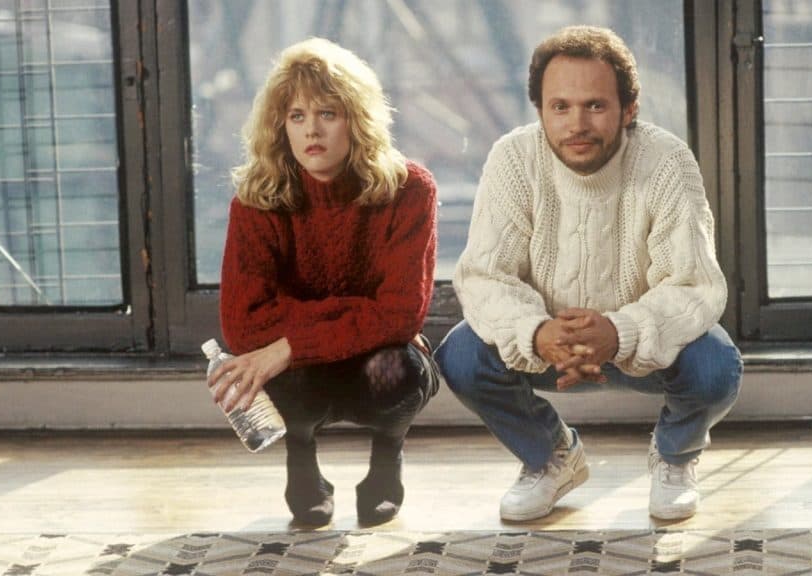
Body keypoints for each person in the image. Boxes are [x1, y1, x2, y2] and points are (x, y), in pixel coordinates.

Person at [435, 25, 742, 522]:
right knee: (462, 355)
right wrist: (538, 332)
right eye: (561, 107)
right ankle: (550, 457)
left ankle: (674, 456)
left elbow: (693, 285)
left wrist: (617, 332)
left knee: (717, 365)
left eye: (595, 106)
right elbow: (484, 276)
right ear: (541, 111)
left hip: (638, 344)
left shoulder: (666, 161)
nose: (577, 123)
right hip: (545, 345)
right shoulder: (513, 158)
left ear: (629, 108)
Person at [210, 37, 440, 527]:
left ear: (356, 120)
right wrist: (345, 320)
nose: (311, 130)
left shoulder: (409, 189)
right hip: (305, 371)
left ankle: (386, 458)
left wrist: (289, 342)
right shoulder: (255, 200)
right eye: (297, 116)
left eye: (328, 113)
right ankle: (302, 460)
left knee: (398, 372)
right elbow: (243, 326)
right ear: (280, 126)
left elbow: (400, 315)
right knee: (263, 368)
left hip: (378, 361)